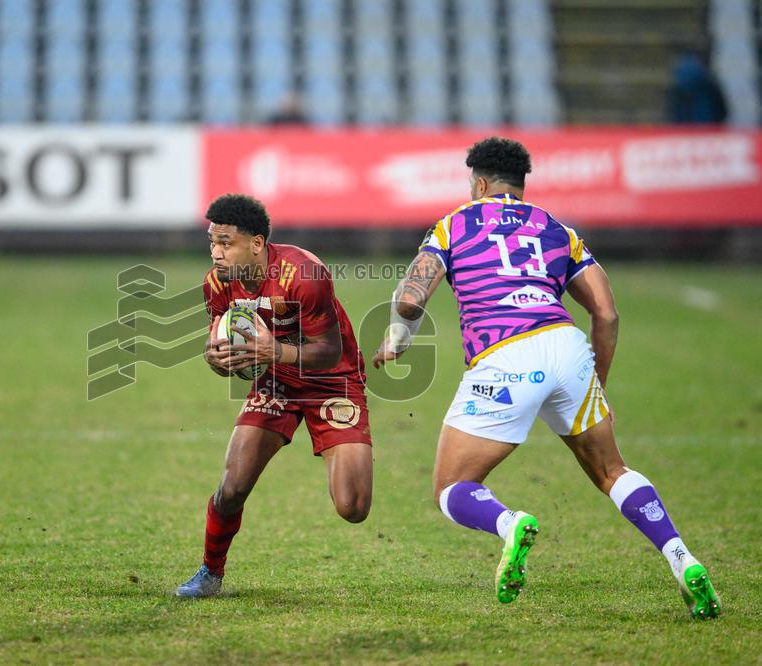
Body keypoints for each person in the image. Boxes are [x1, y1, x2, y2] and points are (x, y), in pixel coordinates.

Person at [372, 137, 720, 619]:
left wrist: (398, 338)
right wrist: (597, 384)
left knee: (451, 487)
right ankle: (682, 557)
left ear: (479, 183)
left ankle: (509, 523)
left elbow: (411, 297)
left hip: (505, 353)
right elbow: (606, 313)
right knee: (611, 471)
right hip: (567, 346)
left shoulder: (453, 224)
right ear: (520, 184)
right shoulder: (557, 229)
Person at [175, 193, 372, 597]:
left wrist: (275, 352)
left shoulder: (305, 274)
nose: (216, 253)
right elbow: (226, 348)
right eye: (212, 242)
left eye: (226, 242)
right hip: (275, 380)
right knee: (232, 487)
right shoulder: (217, 284)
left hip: (332, 380)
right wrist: (216, 358)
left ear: (257, 243)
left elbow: (329, 350)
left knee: (352, 507)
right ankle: (210, 573)